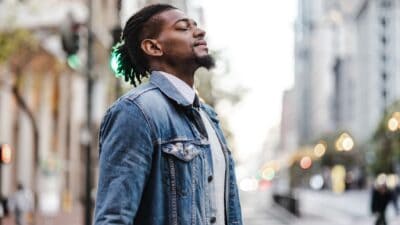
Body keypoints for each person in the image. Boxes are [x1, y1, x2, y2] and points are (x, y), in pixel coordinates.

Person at [94, 4, 243, 225]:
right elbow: (114, 218)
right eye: (183, 28)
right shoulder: (136, 111)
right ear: (153, 47)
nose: (200, 32)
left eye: (196, 26)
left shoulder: (208, 117)